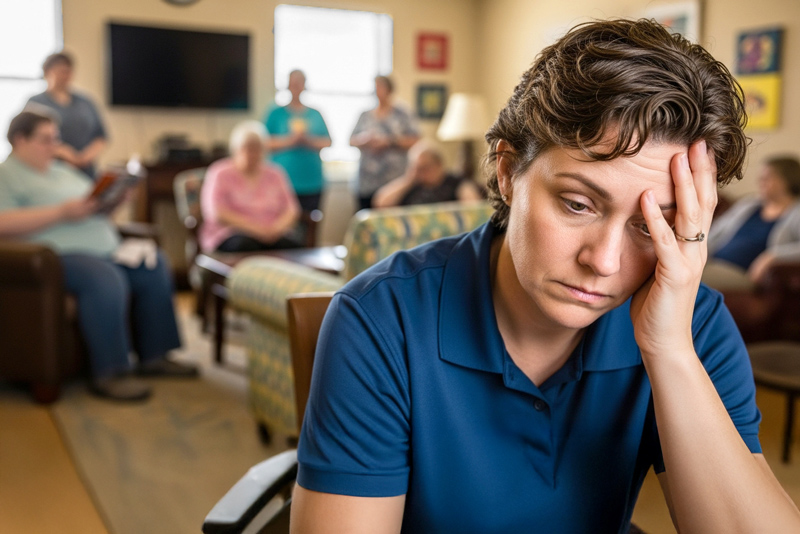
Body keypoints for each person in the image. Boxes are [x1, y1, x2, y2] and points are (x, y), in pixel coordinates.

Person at [291, 19, 800, 533]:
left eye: (653, 226)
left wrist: (669, 350)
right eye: (578, 204)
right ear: (508, 171)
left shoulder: (694, 322)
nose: (604, 261)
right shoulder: (382, 319)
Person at [0, 110, 195, 402]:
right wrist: (61, 212)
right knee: (105, 278)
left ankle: (155, 357)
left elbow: (91, 205)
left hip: (105, 249)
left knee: (152, 265)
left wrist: (114, 200)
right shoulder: (7, 174)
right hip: (56, 256)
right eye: (45, 140)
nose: (54, 146)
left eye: (56, 139)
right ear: (19, 139)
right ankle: (111, 372)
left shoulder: (63, 171)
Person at [200, 121, 301, 253]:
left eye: (257, 148)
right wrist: (255, 229)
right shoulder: (219, 172)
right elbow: (216, 213)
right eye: (248, 148)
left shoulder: (275, 173)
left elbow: (292, 210)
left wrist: (276, 229)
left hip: (272, 233)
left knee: (292, 246)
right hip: (232, 233)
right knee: (246, 246)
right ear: (235, 149)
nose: (253, 153)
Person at [703, 156, 800, 290]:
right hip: (711, 262)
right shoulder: (749, 204)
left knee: (686, 279)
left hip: (740, 273)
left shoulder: (796, 212)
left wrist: (772, 256)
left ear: (787, 180)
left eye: (768, 177)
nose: (761, 181)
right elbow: (714, 232)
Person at [26, 52, 108, 179]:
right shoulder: (36, 103)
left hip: (85, 171)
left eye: (68, 71)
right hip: (51, 170)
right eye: (60, 71)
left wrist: (84, 157)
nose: (65, 75)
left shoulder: (85, 102)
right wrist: (63, 153)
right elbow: (28, 137)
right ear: (48, 71)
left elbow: (101, 135)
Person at [264, 70, 332, 213]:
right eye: (293, 83)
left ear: (304, 86)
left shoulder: (315, 114)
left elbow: (327, 142)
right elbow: (265, 142)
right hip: (283, 181)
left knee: (310, 224)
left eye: (299, 83)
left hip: (312, 181)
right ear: (288, 85)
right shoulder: (276, 113)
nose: (296, 86)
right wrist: (290, 141)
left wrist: (307, 141)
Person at [350, 76, 420, 210]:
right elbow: (351, 141)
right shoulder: (365, 115)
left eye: (380, 87)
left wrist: (389, 142)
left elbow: (416, 140)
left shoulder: (402, 114)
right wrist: (365, 141)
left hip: (394, 181)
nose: (377, 91)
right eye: (375, 87)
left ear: (389, 90)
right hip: (367, 183)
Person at [371, 140, 483, 208]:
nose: (419, 172)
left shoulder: (455, 182)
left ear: (438, 164)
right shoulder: (411, 184)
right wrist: (408, 180)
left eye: (424, 167)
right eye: (415, 168)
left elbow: (473, 206)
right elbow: (380, 203)